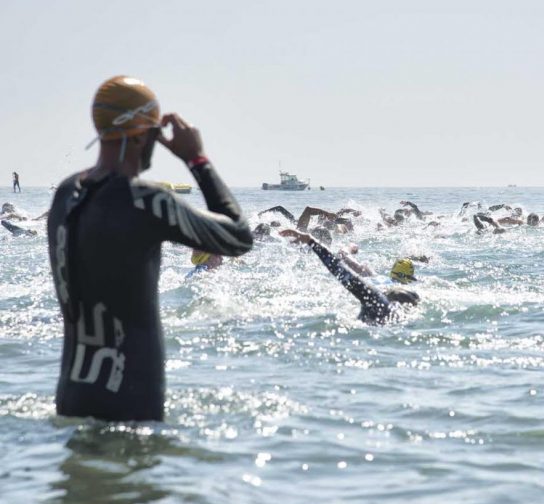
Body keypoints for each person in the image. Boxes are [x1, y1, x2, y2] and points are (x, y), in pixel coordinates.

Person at [46, 76, 253, 422]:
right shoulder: (145, 200)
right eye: (154, 132)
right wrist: (196, 159)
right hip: (130, 407)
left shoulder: (66, 194)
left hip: (70, 400)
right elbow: (238, 237)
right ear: (142, 134)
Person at [280, 229, 419, 324]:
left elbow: (338, 268)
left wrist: (310, 241)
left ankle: (348, 248)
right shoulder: (404, 316)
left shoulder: (377, 301)